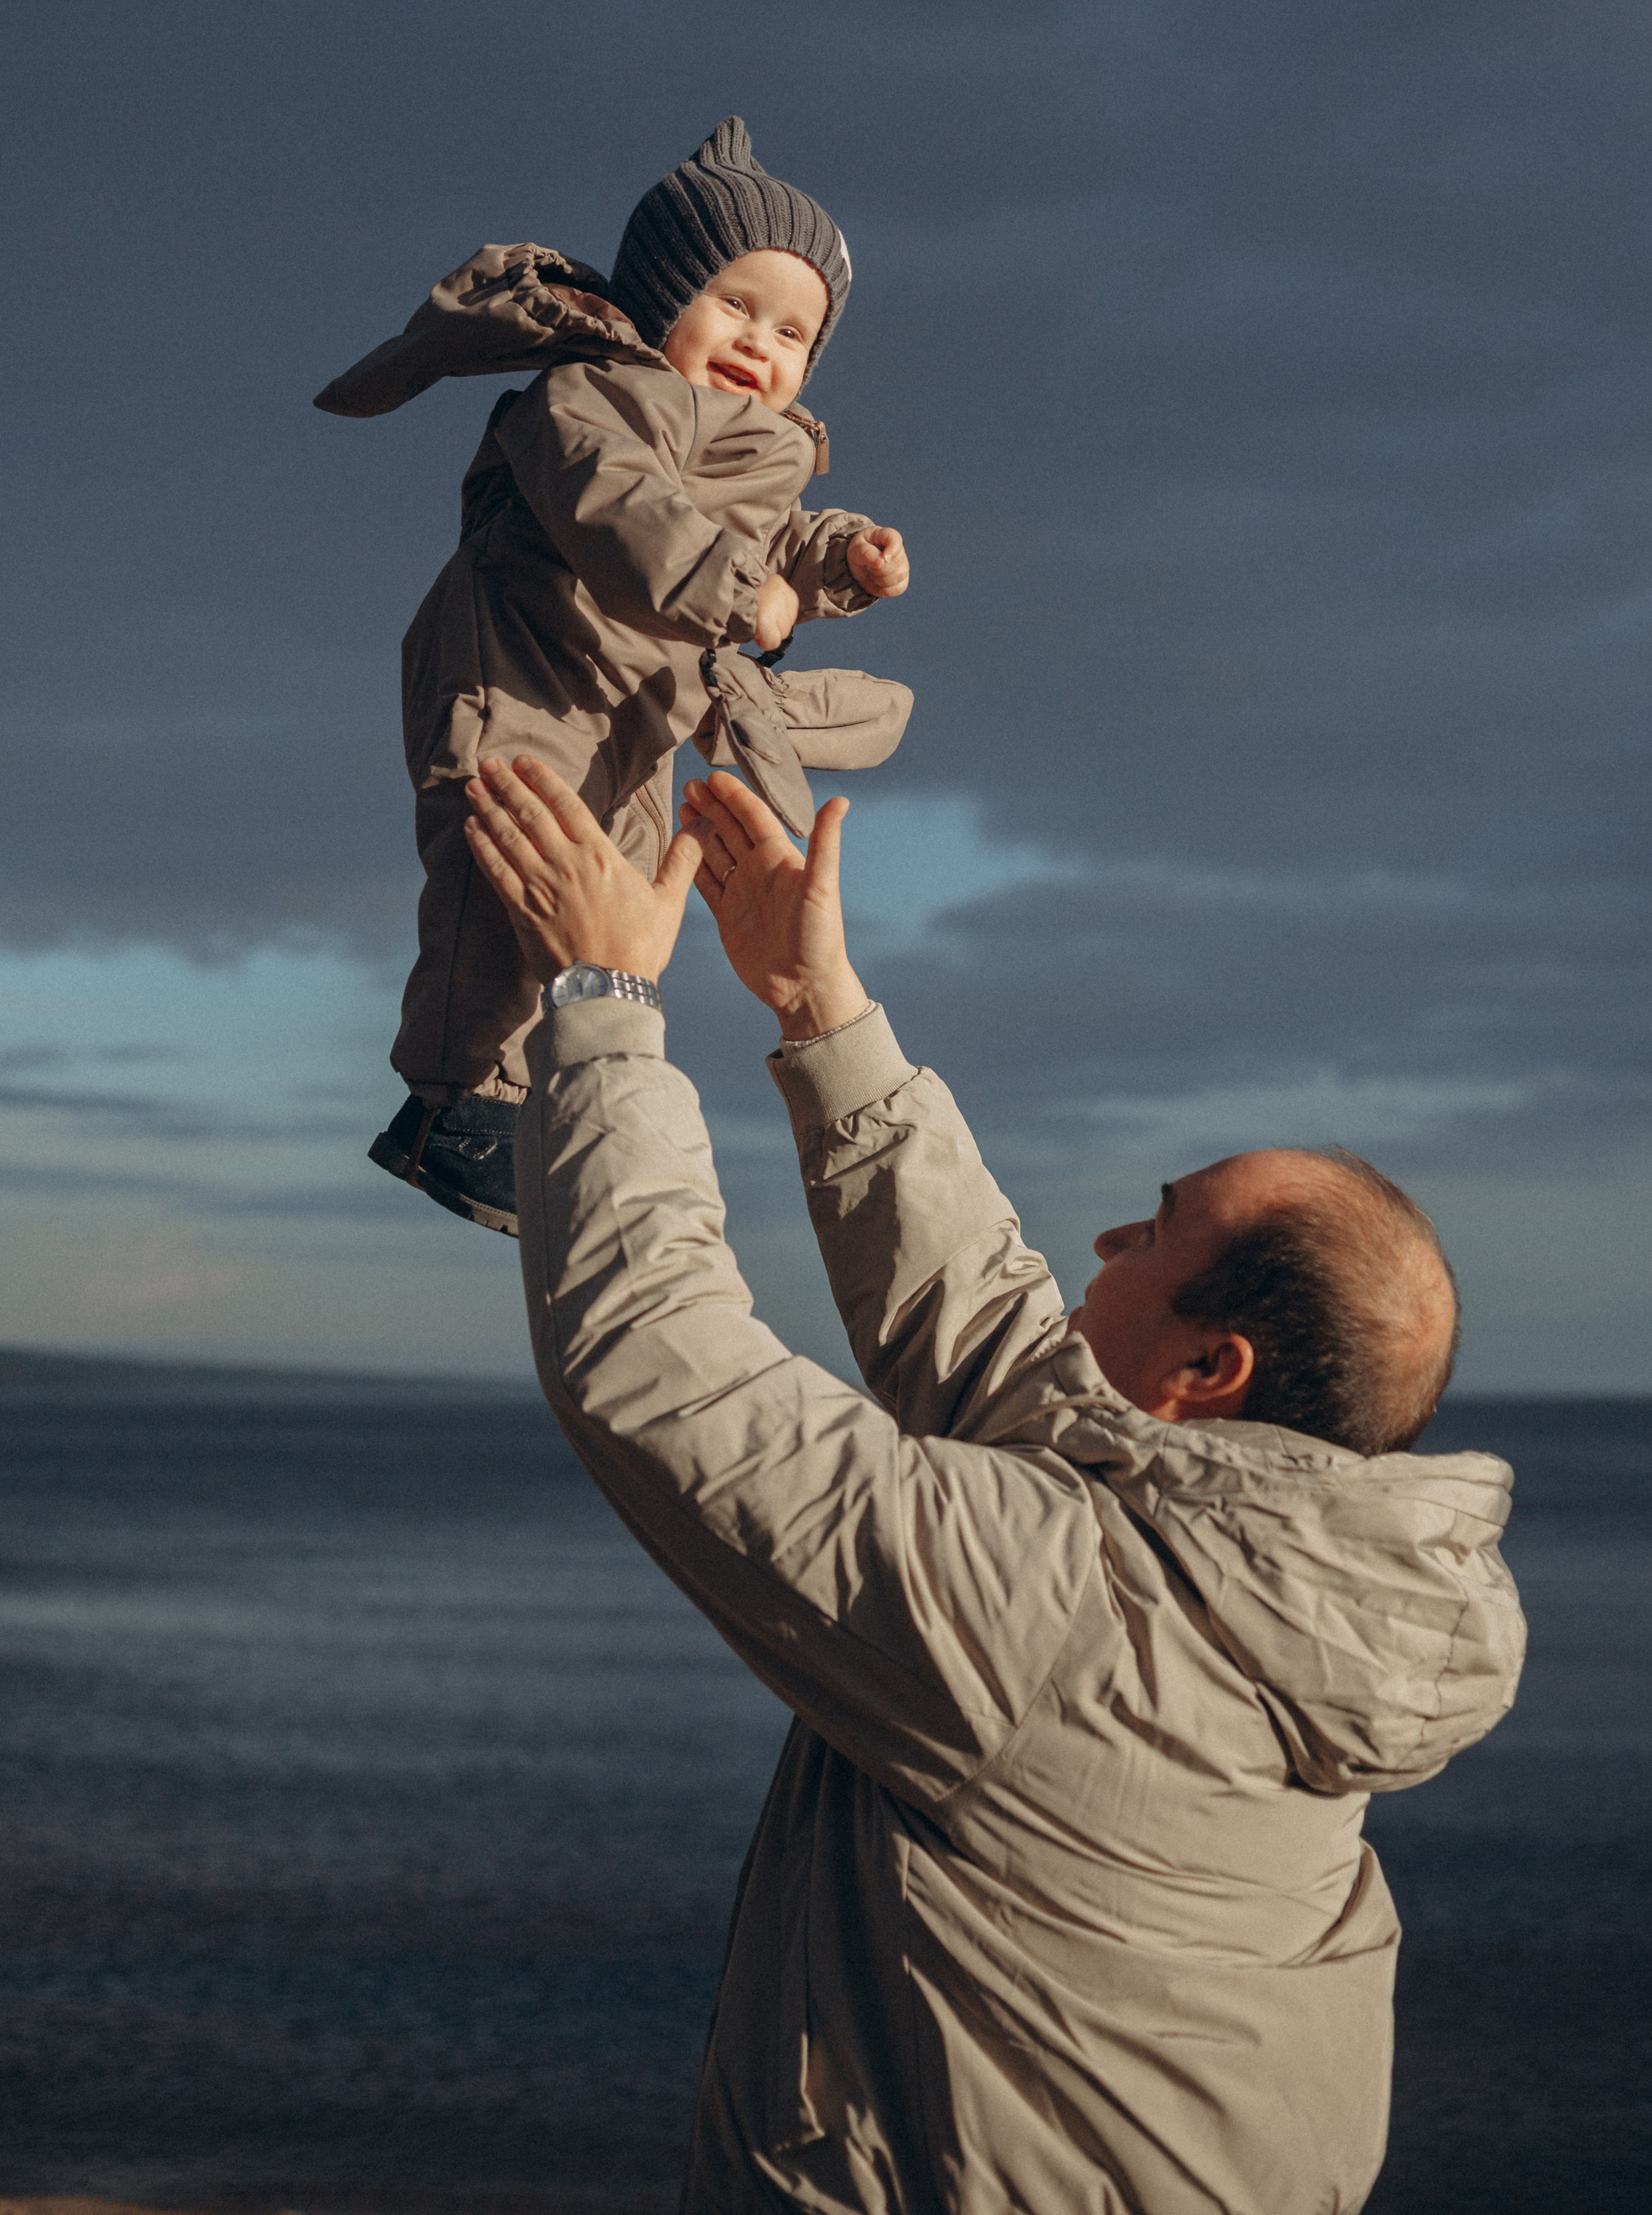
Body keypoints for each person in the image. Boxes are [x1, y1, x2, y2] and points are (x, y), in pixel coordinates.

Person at [458, 752, 1526, 2215]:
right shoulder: (1277, 1588)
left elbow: (664, 1367)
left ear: (1207, 1372)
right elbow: (1000, 1356)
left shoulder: (1067, 1616)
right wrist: (813, 1007)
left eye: (1152, 1231)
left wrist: (604, 1008)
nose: (1099, 1245)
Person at [314, 116, 912, 1237]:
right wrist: (744, 598)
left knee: (616, 907)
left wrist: (842, 562)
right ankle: (451, 1110)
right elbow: (620, 512)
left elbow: (779, 537)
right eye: (734, 303)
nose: (759, 343)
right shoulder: (585, 398)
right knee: (504, 877)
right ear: (661, 298)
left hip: (634, 713)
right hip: (521, 678)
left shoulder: (764, 452)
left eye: (793, 331)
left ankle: (540, 1096)